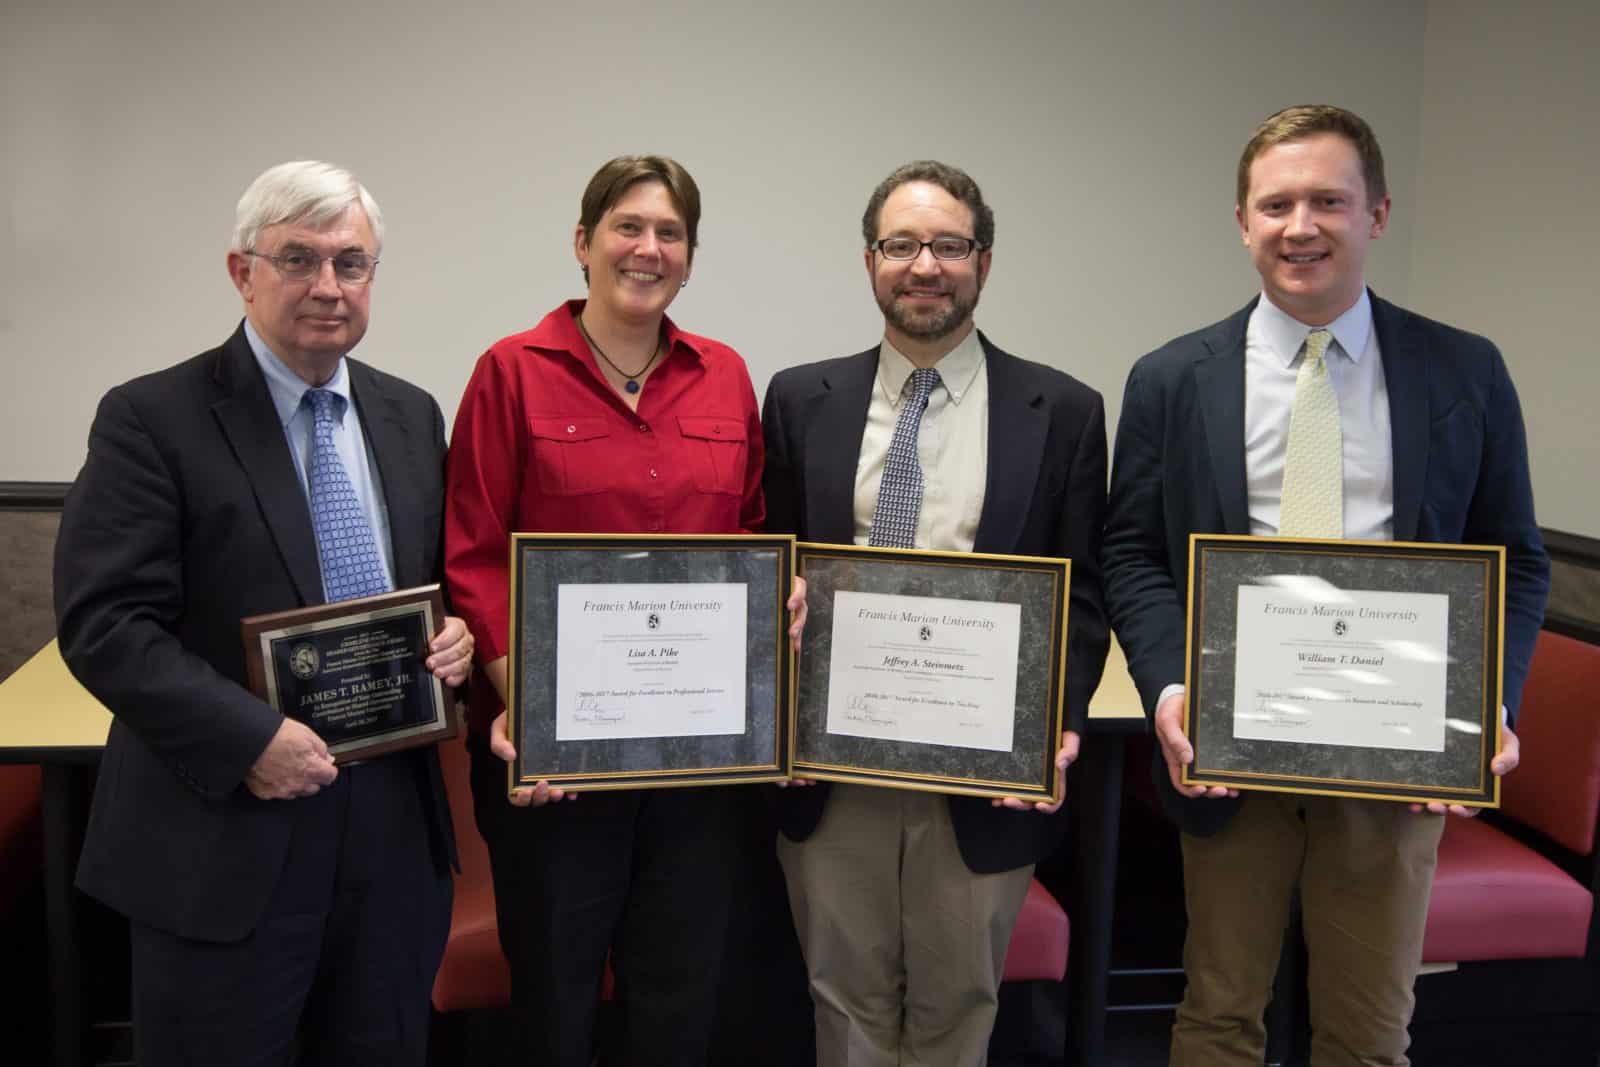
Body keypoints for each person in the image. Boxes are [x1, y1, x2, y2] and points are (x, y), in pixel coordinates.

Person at [1102, 104, 1550, 1066]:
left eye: (1328, 201)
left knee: (1370, 1032)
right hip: (1229, 749)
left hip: (1390, 763)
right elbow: (1134, 554)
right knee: (1217, 1016)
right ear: (1242, 221)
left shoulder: (1465, 369)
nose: (1300, 225)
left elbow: (1515, 555)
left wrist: (1489, 702)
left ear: (1377, 213)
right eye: (1276, 204)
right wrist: (1172, 690)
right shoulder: (1172, 378)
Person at [53, 160, 474, 1065]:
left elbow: (430, 589)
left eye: (351, 263)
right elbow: (105, 625)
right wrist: (249, 738)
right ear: (243, 273)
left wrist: (455, 637)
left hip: (391, 837)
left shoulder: (410, 415)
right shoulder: (150, 417)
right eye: (298, 259)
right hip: (223, 836)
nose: (328, 286)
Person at [444, 154, 803, 1067]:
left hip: (697, 768)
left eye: (669, 232)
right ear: (583, 243)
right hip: (554, 765)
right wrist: (532, 711)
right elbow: (475, 556)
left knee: (681, 997)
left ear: (689, 254)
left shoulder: (724, 375)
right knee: (555, 1002)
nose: (648, 249)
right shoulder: (511, 371)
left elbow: (750, 534)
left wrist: (780, 597)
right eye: (628, 227)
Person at [760, 160, 1110, 1066]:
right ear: (870, 260)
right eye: (902, 244)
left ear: (983, 263)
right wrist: (777, 719)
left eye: (949, 245)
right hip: (836, 773)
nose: (925, 265)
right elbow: (772, 576)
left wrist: (1054, 728)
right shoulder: (801, 399)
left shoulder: (1063, 411)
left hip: (982, 768)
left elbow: (1083, 595)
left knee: (961, 1005)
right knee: (841, 1000)